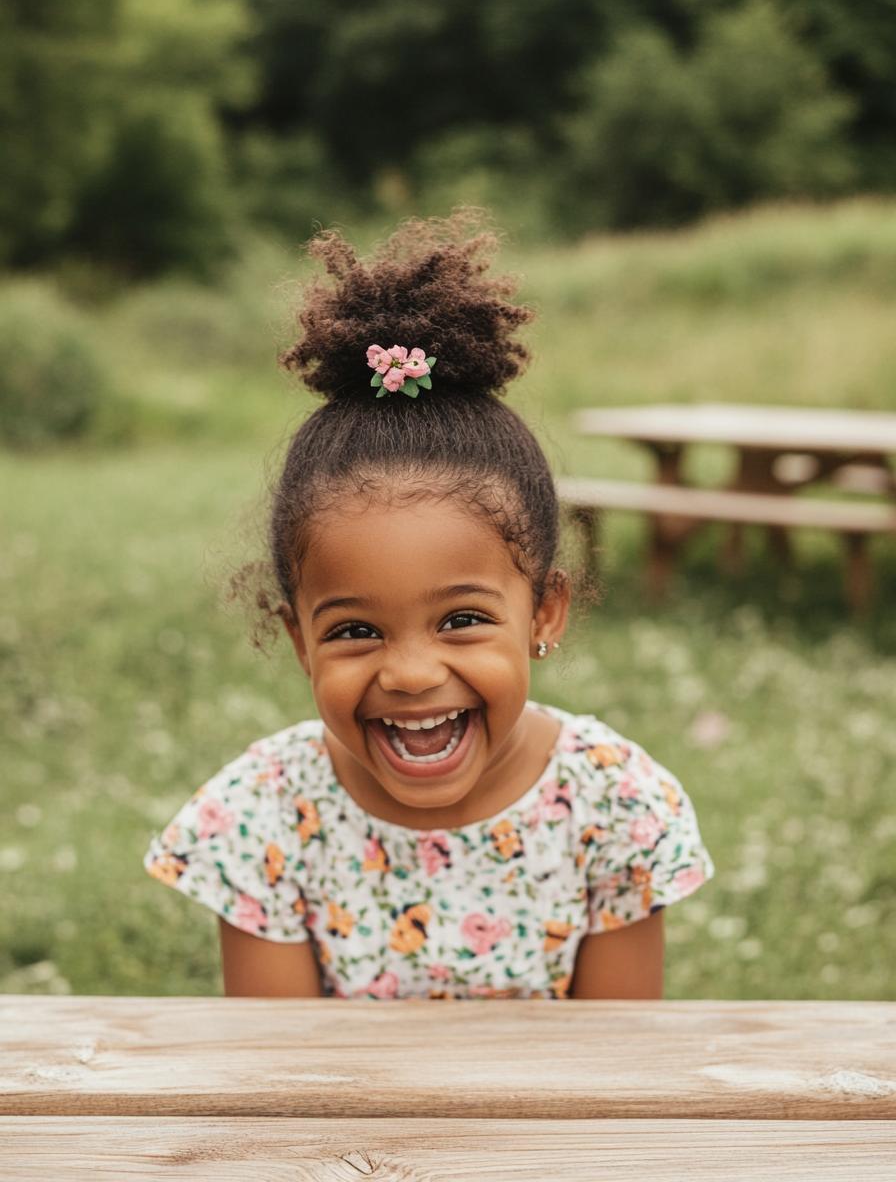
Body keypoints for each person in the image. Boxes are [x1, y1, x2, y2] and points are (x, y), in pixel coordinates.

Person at [143, 210, 714, 1000]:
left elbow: (613, 1076)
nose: (410, 674)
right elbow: (279, 1075)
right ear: (299, 640)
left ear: (545, 611)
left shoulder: (612, 805)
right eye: (353, 630)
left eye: (462, 619)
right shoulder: (264, 813)